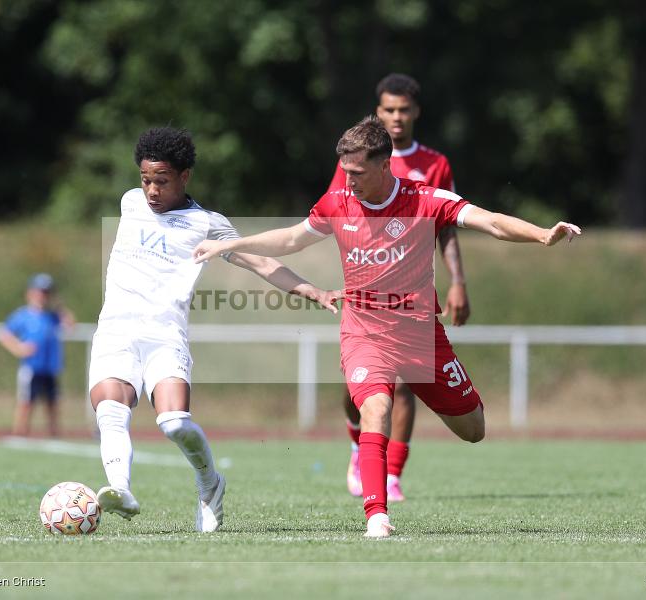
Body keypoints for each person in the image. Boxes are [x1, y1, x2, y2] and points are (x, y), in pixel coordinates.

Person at [193, 116, 580, 537]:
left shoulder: (425, 199)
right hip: (364, 331)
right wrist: (231, 243)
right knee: (377, 407)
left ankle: (388, 466)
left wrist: (542, 234)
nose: (348, 180)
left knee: (473, 430)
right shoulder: (337, 203)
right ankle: (377, 516)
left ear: (384, 165)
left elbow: (489, 221)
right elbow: (290, 239)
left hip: (421, 336)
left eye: (357, 172)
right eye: (345, 171)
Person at [90, 127, 336, 533]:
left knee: (173, 423)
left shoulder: (206, 224)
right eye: (146, 179)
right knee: (111, 411)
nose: (151, 190)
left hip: (165, 337)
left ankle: (210, 484)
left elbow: (261, 263)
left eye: (162, 181)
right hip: (114, 332)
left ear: (185, 176)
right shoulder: (130, 202)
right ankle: (120, 488)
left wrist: (311, 290)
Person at [328, 73, 470, 502]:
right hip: (365, 290)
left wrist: (458, 281)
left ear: (416, 112)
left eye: (403, 110)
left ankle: (391, 474)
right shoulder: (357, 158)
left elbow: (448, 225)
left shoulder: (434, 164)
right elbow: (338, 213)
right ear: (378, 111)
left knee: (405, 384)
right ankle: (359, 442)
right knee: (360, 391)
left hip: (411, 295)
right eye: (388, 109)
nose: (395, 117)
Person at [0, 273, 75, 437]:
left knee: (52, 403)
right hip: (31, 367)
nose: (43, 296)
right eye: (40, 292)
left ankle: (54, 433)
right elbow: (4, 335)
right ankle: (20, 432)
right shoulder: (23, 315)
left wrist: (59, 306)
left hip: (50, 367)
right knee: (26, 402)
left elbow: (70, 324)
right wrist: (19, 348)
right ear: (30, 293)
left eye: (47, 292)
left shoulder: (52, 316)